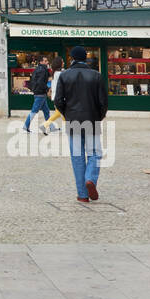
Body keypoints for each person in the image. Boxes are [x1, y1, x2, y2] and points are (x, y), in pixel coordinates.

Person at [55, 45, 108, 202]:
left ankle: (83, 195)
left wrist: (67, 114)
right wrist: (99, 116)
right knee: (94, 154)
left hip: (73, 120)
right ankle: (90, 178)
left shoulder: (64, 76)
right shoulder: (96, 75)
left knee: (77, 157)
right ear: (86, 58)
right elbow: (103, 101)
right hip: (92, 119)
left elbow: (58, 100)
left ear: (71, 58)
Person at [24, 56, 52, 133]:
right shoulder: (43, 70)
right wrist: (47, 89)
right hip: (41, 93)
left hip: (38, 92)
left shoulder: (37, 69)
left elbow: (34, 81)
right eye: (45, 61)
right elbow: (40, 82)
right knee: (34, 111)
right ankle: (26, 126)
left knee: (46, 111)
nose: (47, 62)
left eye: (47, 61)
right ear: (41, 62)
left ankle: (51, 127)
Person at [46, 55, 66, 132]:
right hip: (59, 96)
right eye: (62, 62)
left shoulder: (55, 73)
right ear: (59, 63)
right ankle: (44, 125)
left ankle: (68, 128)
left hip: (56, 96)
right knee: (59, 113)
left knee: (62, 113)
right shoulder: (59, 73)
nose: (63, 63)